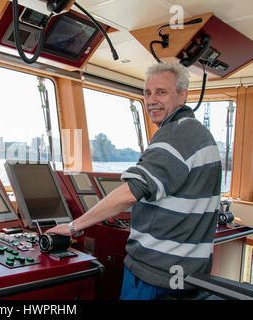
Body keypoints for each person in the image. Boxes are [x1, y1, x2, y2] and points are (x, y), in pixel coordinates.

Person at [46, 63, 222, 300]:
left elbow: (131, 193)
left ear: (182, 95)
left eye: (161, 92)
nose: (151, 100)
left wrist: (72, 227)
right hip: (186, 273)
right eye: (147, 93)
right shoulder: (199, 134)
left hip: (155, 273)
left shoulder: (176, 134)